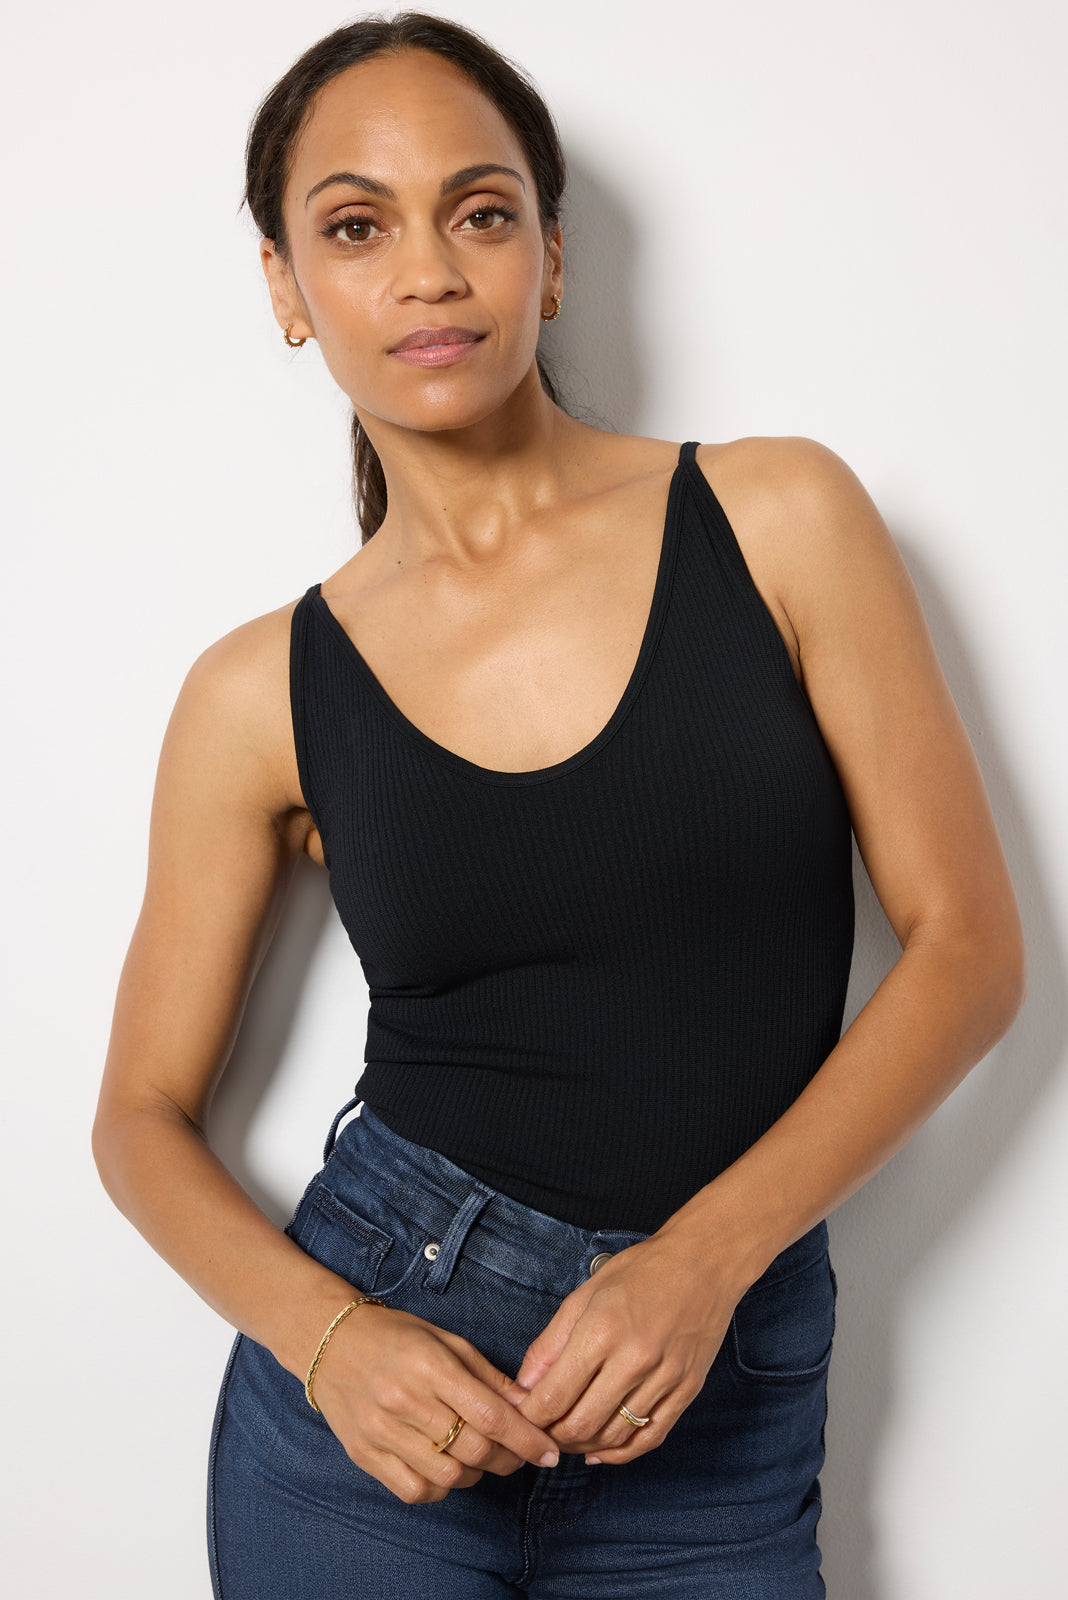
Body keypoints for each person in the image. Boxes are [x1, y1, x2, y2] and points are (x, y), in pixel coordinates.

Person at [92, 12, 1025, 1598]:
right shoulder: (258, 694)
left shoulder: (778, 518)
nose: (429, 272)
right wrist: (329, 1341)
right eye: (356, 228)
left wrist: (709, 1258)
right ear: (286, 290)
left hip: (715, 1391)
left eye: (480, 211)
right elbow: (137, 1120)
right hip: (381, 1398)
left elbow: (970, 952)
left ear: (552, 256)